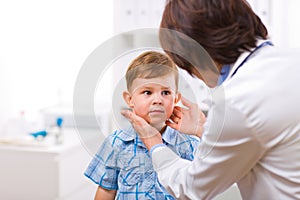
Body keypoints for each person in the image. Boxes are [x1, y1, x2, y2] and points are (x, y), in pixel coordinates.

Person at [121, 0, 300, 199]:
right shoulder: (291, 61)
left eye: (165, 92)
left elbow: (192, 188)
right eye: (147, 92)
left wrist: (154, 144)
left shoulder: (236, 101)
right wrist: (204, 129)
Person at [84, 51, 200, 200]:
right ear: (130, 99)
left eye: (165, 92)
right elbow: (106, 191)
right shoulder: (116, 144)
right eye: (147, 92)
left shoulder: (189, 145)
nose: (158, 99)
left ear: (176, 98)